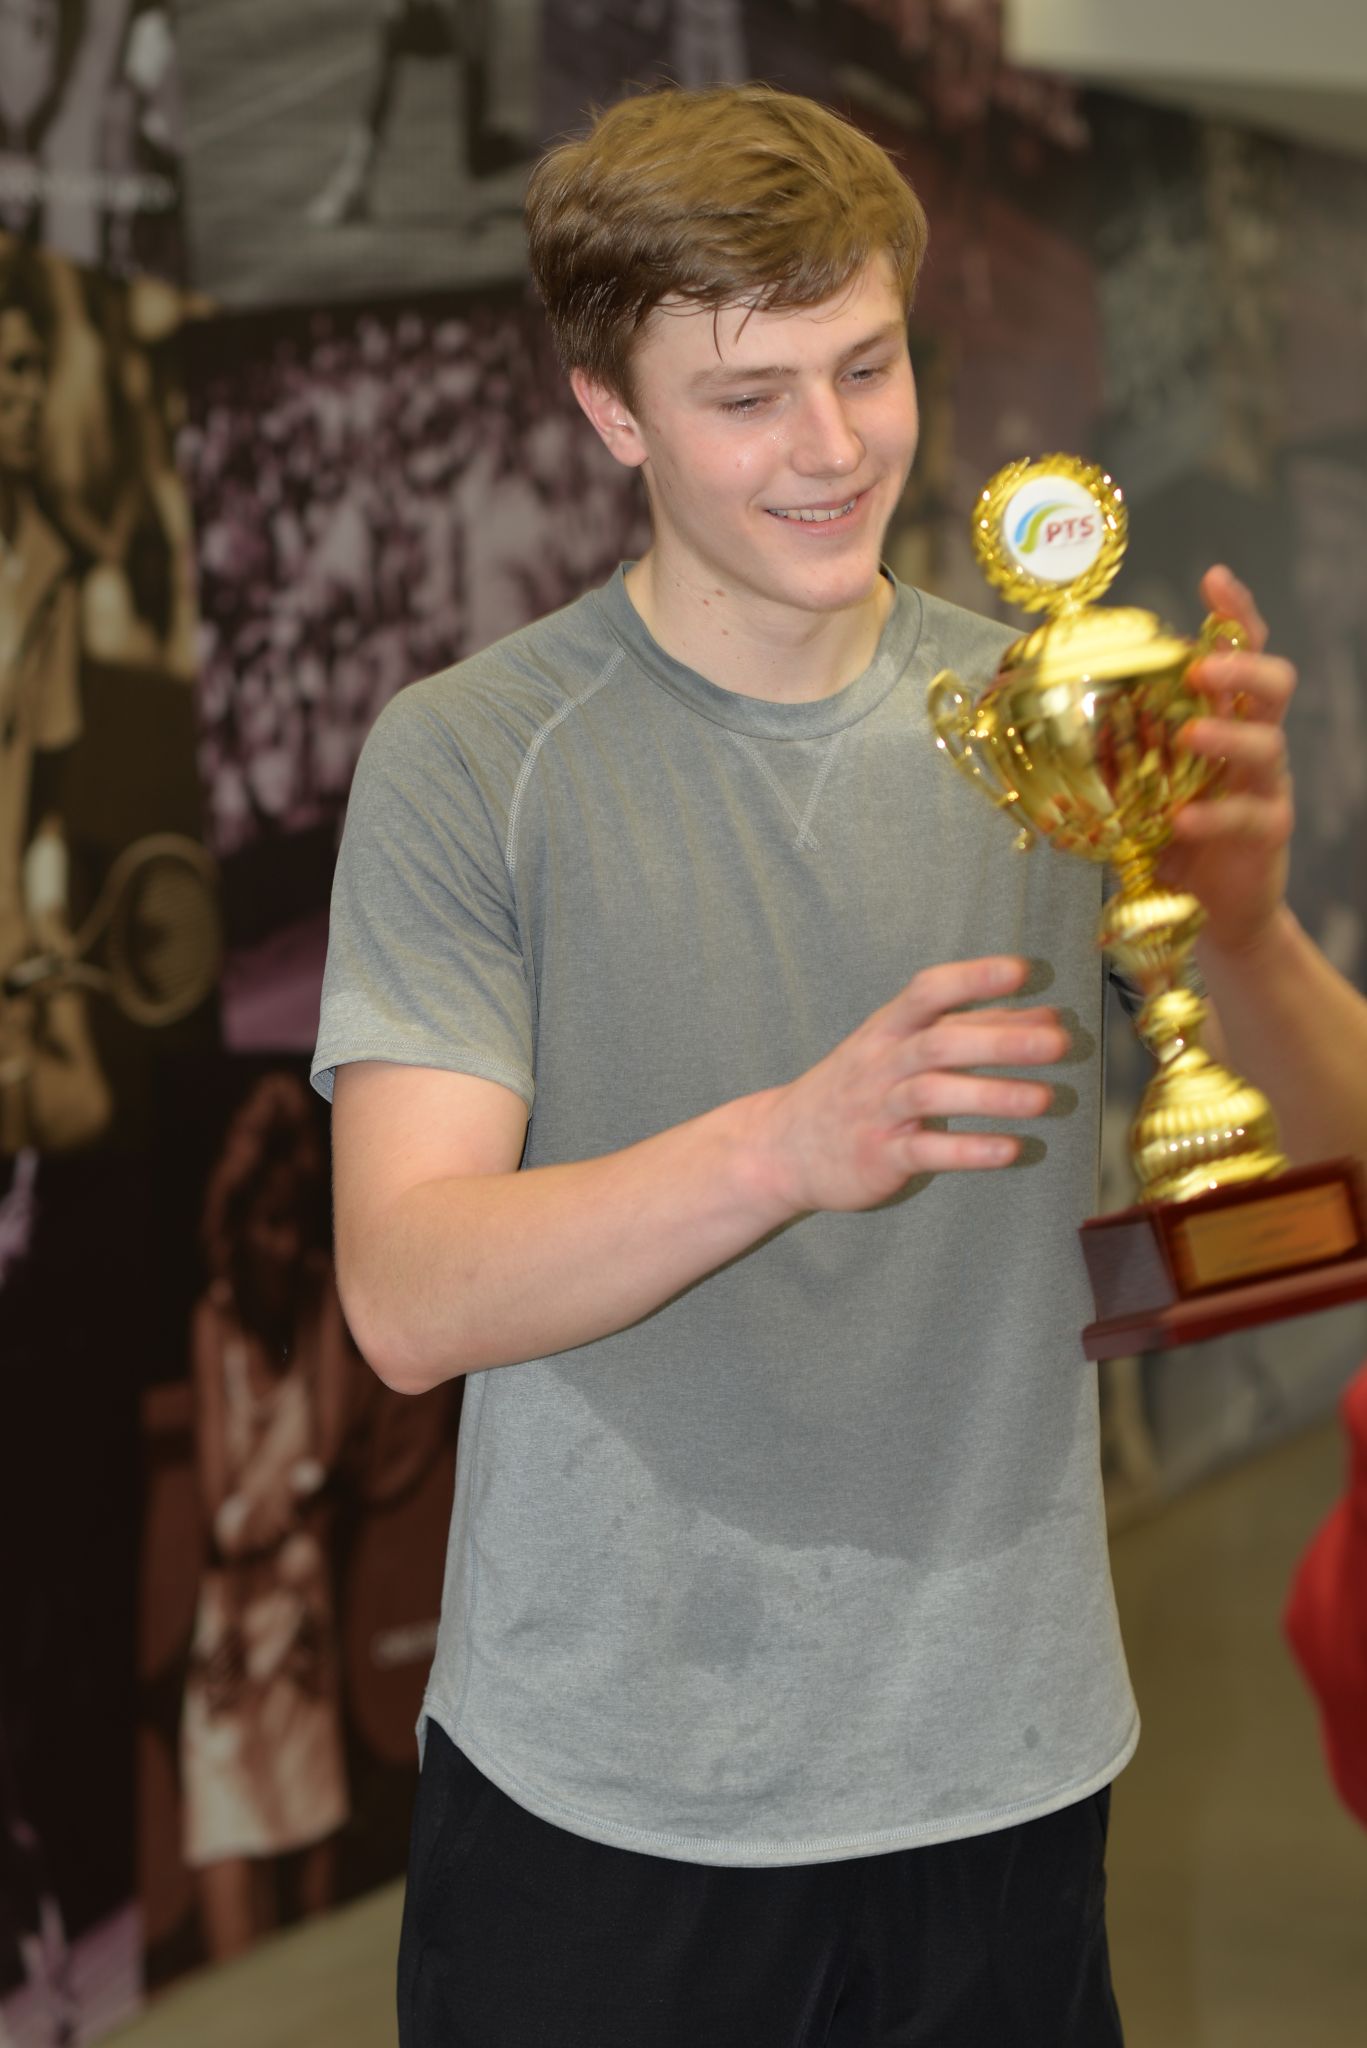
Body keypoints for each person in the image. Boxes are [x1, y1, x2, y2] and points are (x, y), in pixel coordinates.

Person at [313, 83, 1363, 2046]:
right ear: (609, 410)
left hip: (1002, 1773)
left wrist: (1239, 925)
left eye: (865, 366)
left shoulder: (1040, 720)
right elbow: (406, 1289)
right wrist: (786, 1144)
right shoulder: (474, 759)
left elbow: (1330, 1205)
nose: (831, 447)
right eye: (746, 395)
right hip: (602, 1802)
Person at [179, 1073, 350, 1963]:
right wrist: (268, 1509)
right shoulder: (212, 1320)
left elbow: (332, 1442)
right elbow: (217, 1508)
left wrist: (287, 1498)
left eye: (295, 1222)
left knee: (312, 1936)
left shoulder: (322, 1294)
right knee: (224, 1849)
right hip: (232, 1631)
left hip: (302, 1625)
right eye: (269, 1222)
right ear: (237, 1222)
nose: (283, 1244)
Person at [0, 243, 109, 1156]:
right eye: (7, 371)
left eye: (33, 367)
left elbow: (41, 803)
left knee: (72, 1125)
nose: (27, 393)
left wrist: (43, 913)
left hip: (11, 971)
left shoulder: (52, 570)